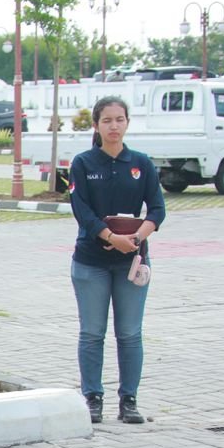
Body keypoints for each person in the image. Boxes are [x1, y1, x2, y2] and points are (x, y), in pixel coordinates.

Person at [68, 96, 165, 426]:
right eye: (107, 120)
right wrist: (111, 238)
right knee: (92, 333)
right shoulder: (83, 163)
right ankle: (92, 398)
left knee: (130, 334)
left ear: (127, 123)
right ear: (96, 125)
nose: (113, 126)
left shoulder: (141, 163)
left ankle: (129, 400)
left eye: (119, 119)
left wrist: (136, 239)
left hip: (132, 261)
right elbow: (82, 211)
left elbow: (157, 209)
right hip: (91, 261)